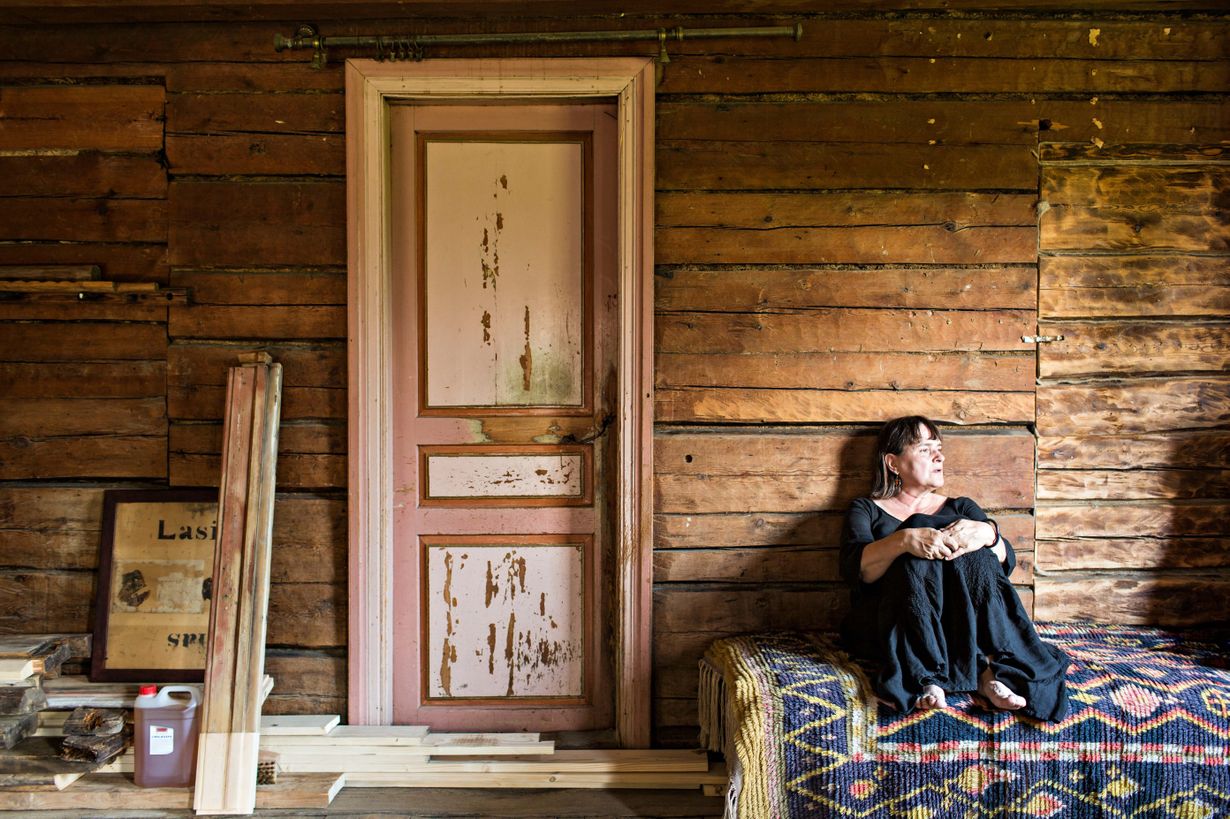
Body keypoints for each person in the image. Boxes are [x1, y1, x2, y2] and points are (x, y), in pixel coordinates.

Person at [840, 415, 1069, 721]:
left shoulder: (961, 507)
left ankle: (989, 675)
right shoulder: (867, 509)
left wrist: (988, 533)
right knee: (917, 535)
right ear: (893, 463)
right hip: (894, 622)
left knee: (979, 554)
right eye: (925, 449)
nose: (939, 456)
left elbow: (1003, 564)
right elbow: (858, 571)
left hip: (960, 620)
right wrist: (904, 541)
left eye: (939, 448)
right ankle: (925, 674)